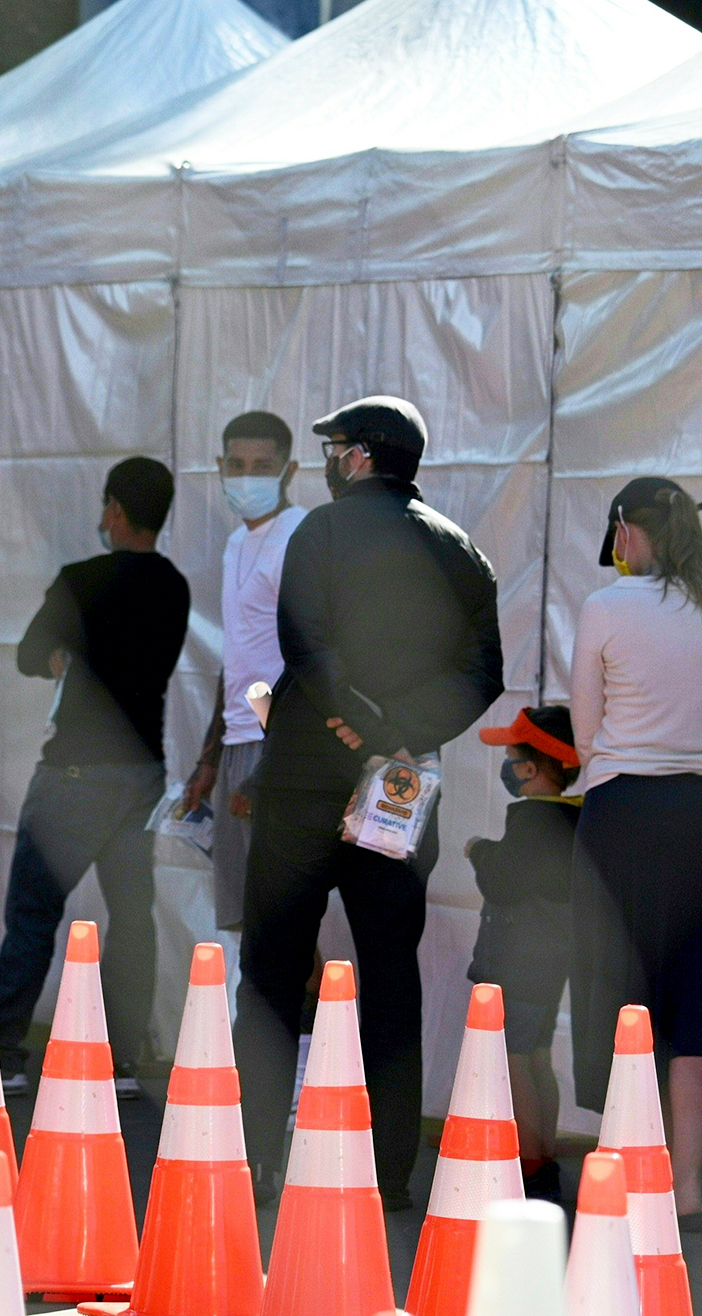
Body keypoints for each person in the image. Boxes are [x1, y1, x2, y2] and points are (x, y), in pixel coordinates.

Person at [234, 395, 501, 1210]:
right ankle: (390, 1175)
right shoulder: (462, 551)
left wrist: (358, 725)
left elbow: (303, 644)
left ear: (357, 458)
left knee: (273, 969)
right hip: (401, 790)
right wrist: (399, 734)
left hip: (306, 780)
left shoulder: (321, 531)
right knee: (391, 974)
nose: (327, 461)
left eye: (334, 448)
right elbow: (483, 674)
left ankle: (255, 1162)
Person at [570, 477, 702, 1225]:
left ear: (624, 531)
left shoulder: (606, 606)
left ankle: (626, 1175)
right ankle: (689, 1187)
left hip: (628, 814)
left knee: (625, 989)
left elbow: (586, 733)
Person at [0, 457, 189, 1099]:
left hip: (75, 770)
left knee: (33, 912)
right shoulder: (173, 586)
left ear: (114, 511)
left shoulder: (81, 579)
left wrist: (62, 654)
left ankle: (5, 1054)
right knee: (132, 915)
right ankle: (124, 1059)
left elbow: (28, 655)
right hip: (142, 773)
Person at [184, 411, 306, 934]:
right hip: (239, 740)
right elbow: (241, 658)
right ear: (219, 468)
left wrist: (274, 754)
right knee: (247, 916)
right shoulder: (237, 543)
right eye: (236, 464)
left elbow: (309, 656)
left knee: (279, 914)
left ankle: (304, 1018)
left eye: (262, 465)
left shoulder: (299, 536)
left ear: (290, 470)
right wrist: (211, 757)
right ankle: (278, 1014)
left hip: (276, 741)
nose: (247, 476)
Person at [466, 705, 580, 1204]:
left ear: (530, 769)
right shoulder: (575, 815)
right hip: (550, 964)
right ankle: (546, 1150)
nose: (507, 767)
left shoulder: (532, 818)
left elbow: (505, 882)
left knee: (515, 1059)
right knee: (538, 1056)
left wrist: (479, 851)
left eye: (512, 757)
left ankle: (532, 1164)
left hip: (519, 960)